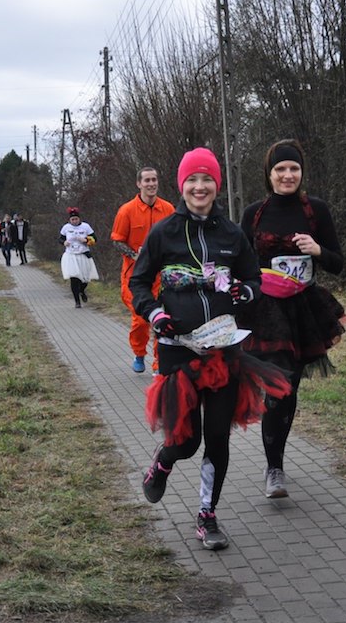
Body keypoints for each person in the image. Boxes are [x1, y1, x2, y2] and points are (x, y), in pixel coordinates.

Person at [131, 148, 291, 551]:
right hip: (177, 350)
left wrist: (245, 292)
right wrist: (155, 314)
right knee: (185, 441)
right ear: (181, 185)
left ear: (217, 185)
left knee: (218, 437)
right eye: (192, 180)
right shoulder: (164, 232)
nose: (199, 187)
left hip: (223, 349)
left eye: (207, 180)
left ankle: (207, 515)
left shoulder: (231, 234)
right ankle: (162, 463)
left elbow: (253, 279)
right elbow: (139, 283)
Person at [236, 139, 346, 499]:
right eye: (280, 169)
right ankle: (274, 469)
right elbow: (239, 262)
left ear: (302, 172)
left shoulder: (316, 210)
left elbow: (339, 263)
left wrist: (318, 250)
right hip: (266, 312)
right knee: (277, 385)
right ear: (269, 174)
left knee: (290, 387)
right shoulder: (254, 213)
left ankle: (276, 460)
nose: (287, 175)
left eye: (293, 168)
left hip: (303, 310)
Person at [111, 167, 175, 373]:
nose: (151, 184)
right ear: (139, 184)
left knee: (162, 318)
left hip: (161, 276)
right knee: (140, 320)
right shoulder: (126, 211)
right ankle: (139, 353)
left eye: (154, 180)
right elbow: (117, 240)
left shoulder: (168, 209)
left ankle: (159, 363)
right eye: (147, 180)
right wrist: (135, 254)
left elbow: (176, 237)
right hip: (135, 276)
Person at [59, 207, 99, 308]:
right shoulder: (66, 227)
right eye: (72, 219)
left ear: (79, 219)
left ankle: (82, 290)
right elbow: (60, 239)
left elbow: (95, 239)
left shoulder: (86, 226)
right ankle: (77, 301)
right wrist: (64, 242)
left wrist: (86, 240)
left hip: (83, 254)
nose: (74, 221)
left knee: (85, 279)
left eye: (76, 219)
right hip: (71, 255)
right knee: (74, 278)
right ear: (69, 220)